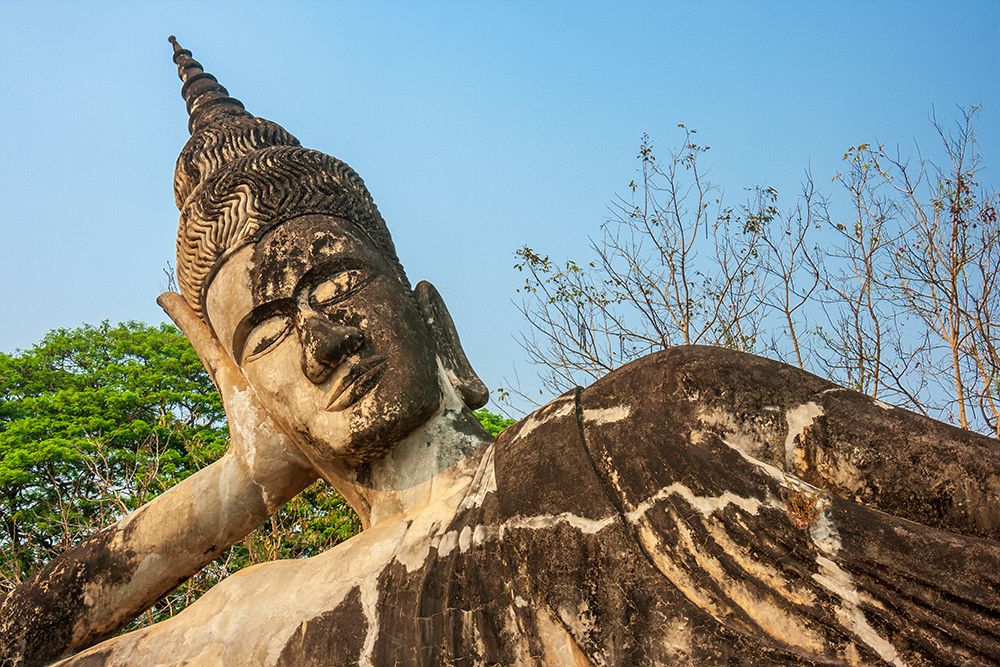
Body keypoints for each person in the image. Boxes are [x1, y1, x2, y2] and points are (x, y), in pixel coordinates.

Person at [2, 39, 999, 666]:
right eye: (266, 330)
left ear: (427, 315)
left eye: (338, 282)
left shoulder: (652, 424)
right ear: (241, 382)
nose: (321, 338)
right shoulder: (260, 623)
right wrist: (242, 479)